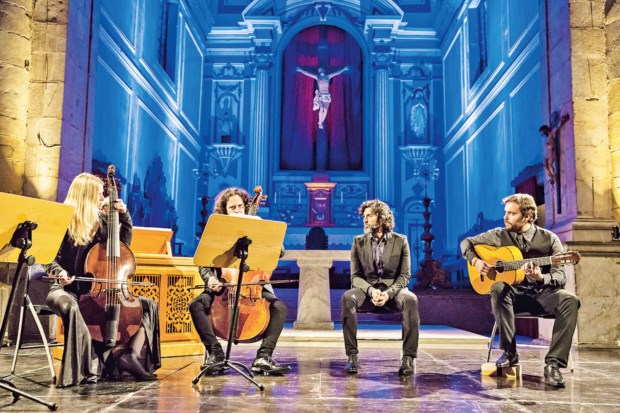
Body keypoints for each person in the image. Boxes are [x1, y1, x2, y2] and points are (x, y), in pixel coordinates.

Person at [45, 172, 161, 387]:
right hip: (64, 289)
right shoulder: (62, 221)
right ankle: (86, 368)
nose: (103, 198)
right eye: (99, 194)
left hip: (96, 292)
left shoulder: (103, 222)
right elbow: (47, 257)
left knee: (148, 306)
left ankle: (130, 356)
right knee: (71, 306)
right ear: (86, 195)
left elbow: (121, 246)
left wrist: (124, 216)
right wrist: (59, 272)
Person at [460, 193, 579, 388]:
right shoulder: (500, 234)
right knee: (498, 287)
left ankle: (553, 365)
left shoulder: (550, 239)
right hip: (513, 298)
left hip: (543, 295)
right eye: (505, 212)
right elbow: (466, 243)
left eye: (511, 213)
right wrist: (476, 261)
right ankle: (509, 353)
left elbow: (560, 278)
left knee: (570, 300)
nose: (505, 217)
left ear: (527, 216)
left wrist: (540, 277)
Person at [189, 187, 290, 375]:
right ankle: (215, 354)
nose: (237, 210)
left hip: (252, 286)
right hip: (223, 286)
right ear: (224, 210)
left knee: (279, 307)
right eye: (232, 208)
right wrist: (211, 278)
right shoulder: (217, 231)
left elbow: (280, 251)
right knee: (196, 305)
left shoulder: (256, 226)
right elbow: (204, 264)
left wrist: (261, 229)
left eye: (240, 206)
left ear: (246, 207)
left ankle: (263, 357)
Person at [341, 199, 420, 376]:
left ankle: (408, 358)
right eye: (364, 216)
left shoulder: (401, 241)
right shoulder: (358, 241)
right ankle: (352, 356)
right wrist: (371, 291)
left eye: (369, 215)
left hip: (393, 292)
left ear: (381, 217)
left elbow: (405, 276)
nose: (365, 219)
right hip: (367, 292)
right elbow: (355, 277)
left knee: (411, 299)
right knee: (347, 297)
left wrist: (388, 294)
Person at [539, 113, 569, 185]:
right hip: (548, 153)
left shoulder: (552, 133)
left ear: (545, 130)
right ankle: (551, 177)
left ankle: (554, 177)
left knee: (550, 164)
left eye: (543, 132)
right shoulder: (547, 137)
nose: (543, 134)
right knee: (545, 166)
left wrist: (562, 120)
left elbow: (558, 126)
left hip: (552, 151)